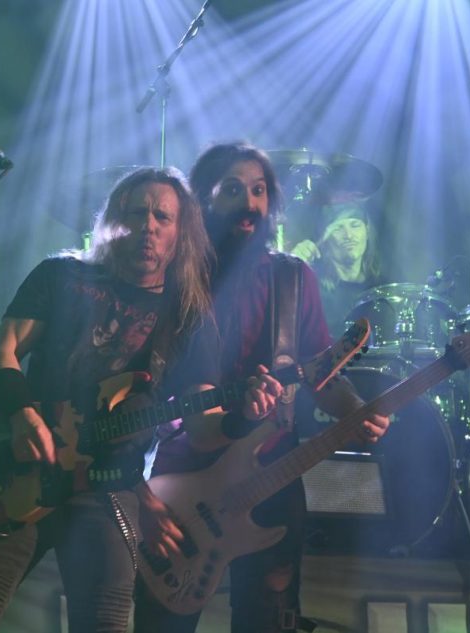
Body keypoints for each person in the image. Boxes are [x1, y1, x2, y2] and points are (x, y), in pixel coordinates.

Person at [0, 166, 279, 632]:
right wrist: (21, 414)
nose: (148, 226)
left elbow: (203, 427)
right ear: (114, 220)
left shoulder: (188, 315)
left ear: (181, 233)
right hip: (24, 468)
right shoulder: (61, 275)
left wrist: (244, 418)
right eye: (137, 213)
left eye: (162, 217)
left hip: (108, 489)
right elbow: (1, 354)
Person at [133, 143, 391, 633]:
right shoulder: (176, 279)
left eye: (258, 191)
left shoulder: (293, 279)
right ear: (203, 200)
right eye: (233, 190)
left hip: (270, 477)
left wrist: (355, 408)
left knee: (268, 619)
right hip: (184, 481)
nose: (250, 203)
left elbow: (321, 374)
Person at [289, 199, 383, 334]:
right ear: (325, 238)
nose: (348, 235)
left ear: (367, 231)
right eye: (338, 228)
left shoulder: (381, 289)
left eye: (355, 225)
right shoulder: (311, 289)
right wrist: (290, 269)